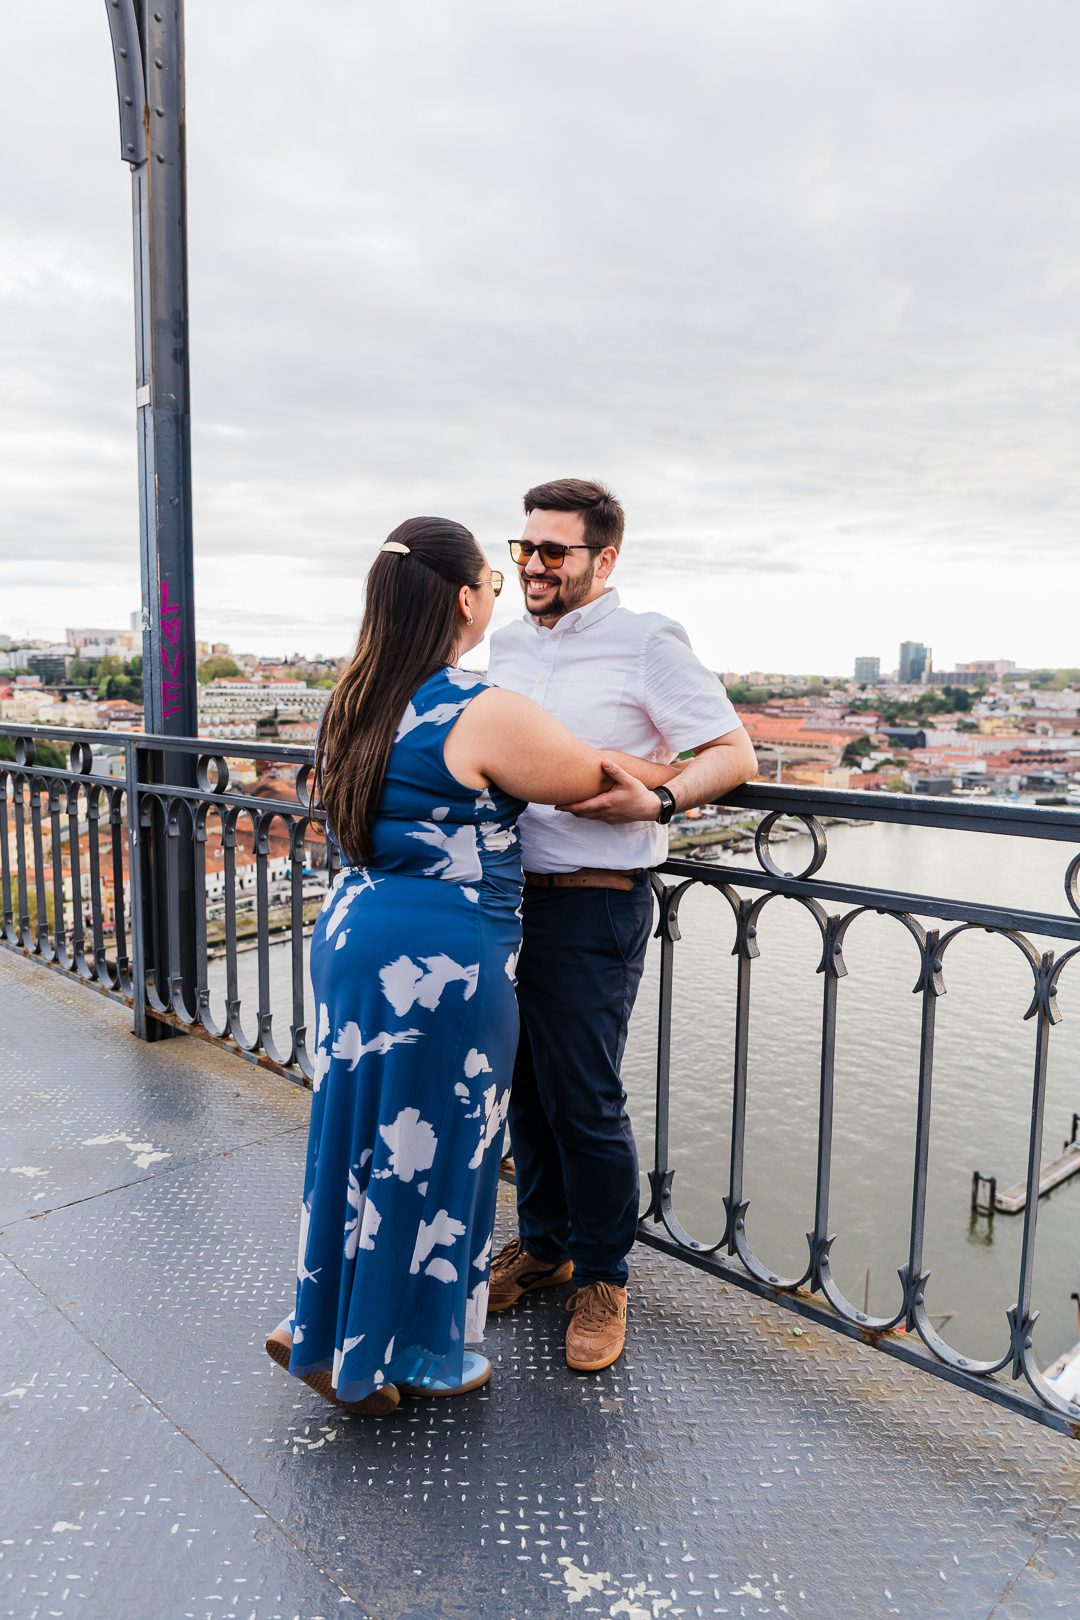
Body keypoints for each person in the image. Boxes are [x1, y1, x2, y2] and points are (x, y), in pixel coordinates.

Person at [264, 516, 683, 1415]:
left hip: (352, 937)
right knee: (435, 1152)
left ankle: (324, 1325)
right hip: (441, 963)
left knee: (355, 1140)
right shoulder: (479, 708)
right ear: (464, 598)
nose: (501, 591)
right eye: (495, 578)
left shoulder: (352, 695)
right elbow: (593, 782)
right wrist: (666, 774)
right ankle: (405, 1356)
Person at [486, 479, 758, 1373]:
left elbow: (732, 752)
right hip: (505, 897)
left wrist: (662, 797)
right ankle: (545, 1245)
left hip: (595, 897)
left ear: (603, 560)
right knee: (525, 1087)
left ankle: (604, 1277)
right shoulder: (506, 645)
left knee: (584, 1097)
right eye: (524, 547)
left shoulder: (648, 640)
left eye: (552, 551)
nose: (532, 565)